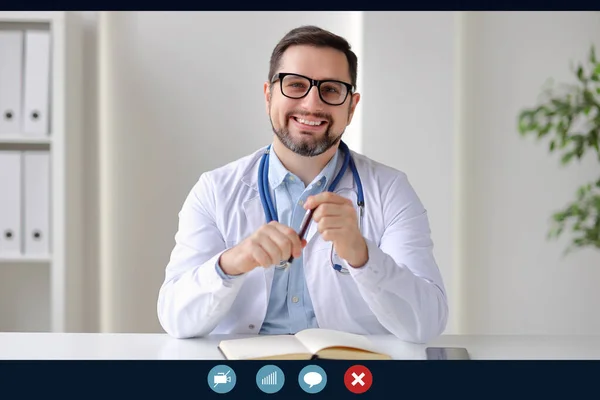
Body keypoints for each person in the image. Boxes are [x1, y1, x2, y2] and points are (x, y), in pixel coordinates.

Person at [157, 25, 448, 344]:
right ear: (268, 95)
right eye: (295, 85)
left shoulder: (390, 190)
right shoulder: (215, 190)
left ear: (351, 106)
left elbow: (427, 323)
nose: (311, 104)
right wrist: (233, 262)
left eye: (332, 90)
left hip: (349, 374)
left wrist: (362, 255)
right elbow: (175, 318)